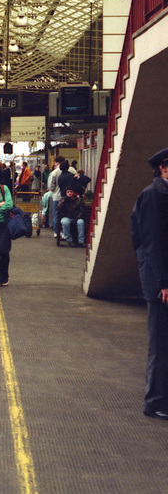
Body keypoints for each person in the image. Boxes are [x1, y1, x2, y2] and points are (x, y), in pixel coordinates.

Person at [131, 147, 168, 420]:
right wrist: (162, 282)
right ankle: (155, 402)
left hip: (160, 277)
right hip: (160, 281)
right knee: (160, 341)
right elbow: (152, 243)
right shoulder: (154, 196)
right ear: (163, 169)